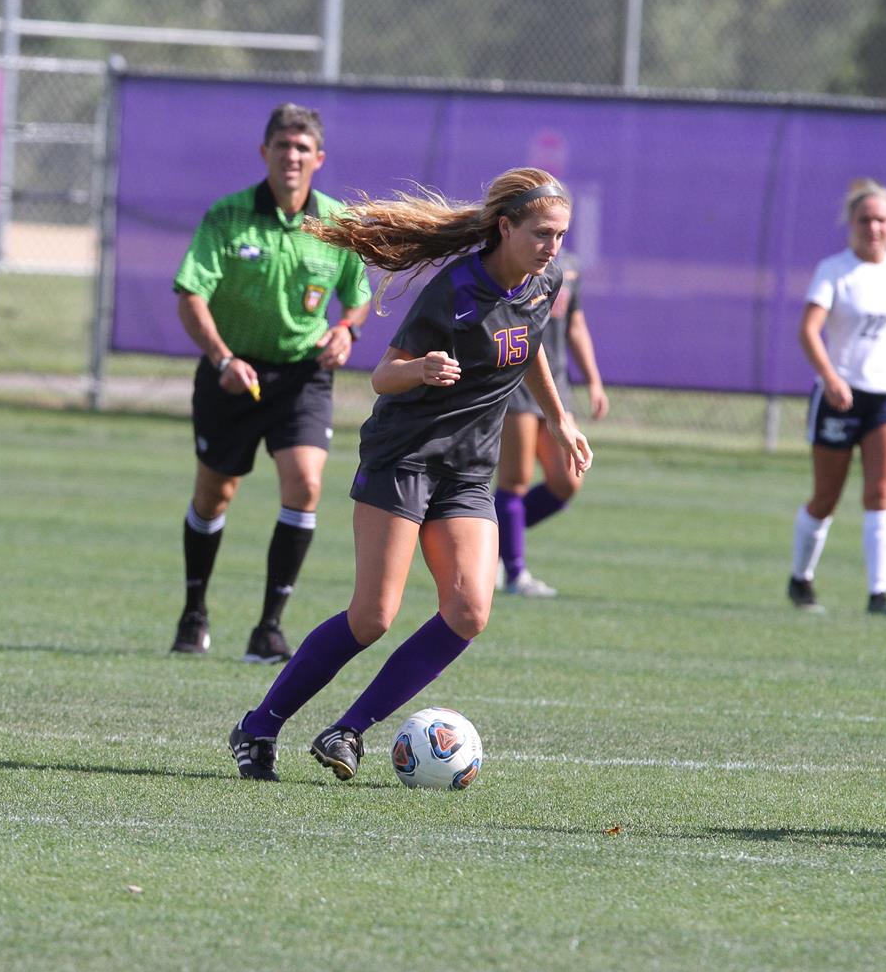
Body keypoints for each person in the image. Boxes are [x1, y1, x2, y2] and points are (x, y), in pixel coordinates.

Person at [225, 168, 592, 782]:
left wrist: (560, 419)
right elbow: (382, 376)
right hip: (405, 458)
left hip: (470, 470)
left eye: (560, 236)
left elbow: (527, 345)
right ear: (505, 228)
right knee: (372, 617)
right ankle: (258, 726)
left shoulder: (543, 281)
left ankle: (347, 730)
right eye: (542, 234)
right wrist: (420, 368)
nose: (553, 248)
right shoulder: (455, 290)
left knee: (470, 610)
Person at [169, 104, 371, 663]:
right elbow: (190, 292)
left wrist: (346, 332)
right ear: (265, 153)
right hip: (233, 374)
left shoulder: (336, 222)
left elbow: (359, 295)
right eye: (282, 145)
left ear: (319, 159)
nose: (292, 156)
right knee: (214, 494)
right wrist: (221, 358)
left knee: (306, 484)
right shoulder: (227, 217)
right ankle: (194, 612)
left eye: (303, 148)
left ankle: (269, 627)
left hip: (302, 376)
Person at [789, 180, 886, 618]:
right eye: (865, 219)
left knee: (881, 493)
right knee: (826, 497)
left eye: (881, 219)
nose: (874, 227)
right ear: (852, 224)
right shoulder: (835, 270)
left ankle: (878, 594)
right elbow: (809, 330)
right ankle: (800, 579)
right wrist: (830, 377)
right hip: (839, 396)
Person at [494, 262, 608, 598]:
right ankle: (515, 574)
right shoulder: (509, 263)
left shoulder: (568, 268)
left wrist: (594, 380)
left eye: (558, 230)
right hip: (516, 384)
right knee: (515, 479)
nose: (552, 239)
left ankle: (492, 542)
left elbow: (575, 324)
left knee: (567, 481)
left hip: (556, 388)